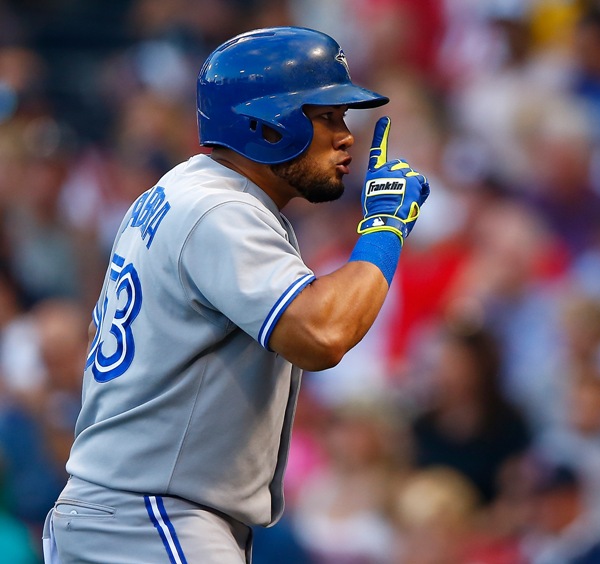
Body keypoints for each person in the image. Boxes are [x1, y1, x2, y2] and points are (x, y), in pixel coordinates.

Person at [41, 26, 430, 563]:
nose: (347, 137)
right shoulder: (221, 211)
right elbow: (323, 334)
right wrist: (385, 229)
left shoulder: (179, 190)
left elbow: (96, 334)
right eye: (326, 118)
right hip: (153, 516)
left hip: (118, 510)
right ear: (266, 125)